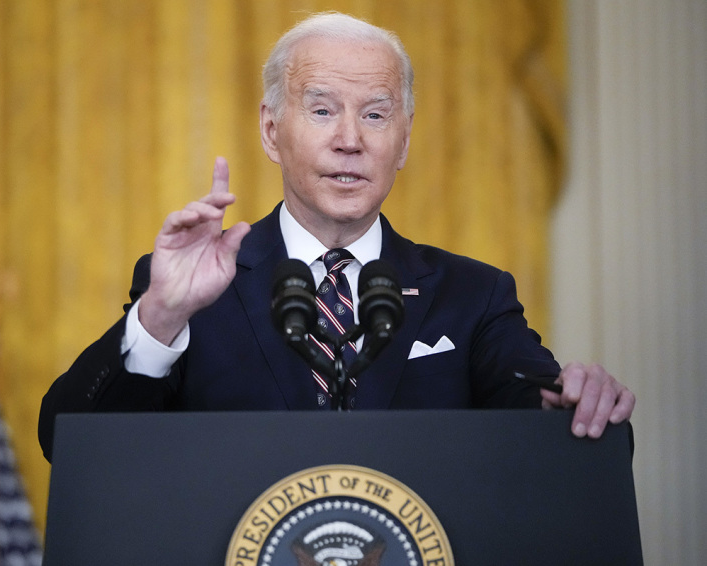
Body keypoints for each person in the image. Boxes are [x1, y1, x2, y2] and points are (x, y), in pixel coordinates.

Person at [38, 12, 635, 462]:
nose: (350, 140)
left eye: (375, 115)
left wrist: (578, 405)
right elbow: (67, 443)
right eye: (322, 111)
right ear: (271, 131)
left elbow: (550, 430)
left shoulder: (473, 296)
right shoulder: (192, 290)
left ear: (403, 141)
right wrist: (160, 317)